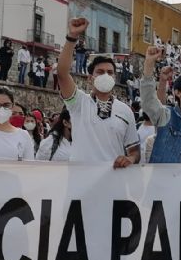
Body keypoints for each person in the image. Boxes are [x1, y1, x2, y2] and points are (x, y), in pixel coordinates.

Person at [57, 17, 140, 167]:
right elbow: (62, 73)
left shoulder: (126, 111)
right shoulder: (79, 103)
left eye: (110, 72)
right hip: (80, 182)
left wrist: (131, 159)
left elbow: (134, 151)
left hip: (113, 183)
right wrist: (72, 37)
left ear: (115, 78)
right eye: (100, 72)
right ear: (90, 78)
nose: (106, 75)